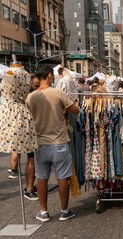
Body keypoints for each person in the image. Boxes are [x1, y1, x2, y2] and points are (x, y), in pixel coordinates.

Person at [26, 65, 80, 222]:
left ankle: (44, 212)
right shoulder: (57, 93)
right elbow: (75, 110)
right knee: (62, 177)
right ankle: (64, 211)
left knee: (41, 178)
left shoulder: (31, 97)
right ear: (50, 76)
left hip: (40, 144)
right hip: (59, 143)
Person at [23, 73, 41, 200]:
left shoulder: (36, 96)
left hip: (38, 132)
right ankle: (29, 188)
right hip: (30, 133)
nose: (37, 88)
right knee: (31, 160)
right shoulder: (27, 97)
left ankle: (30, 186)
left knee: (32, 160)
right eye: (35, 86)